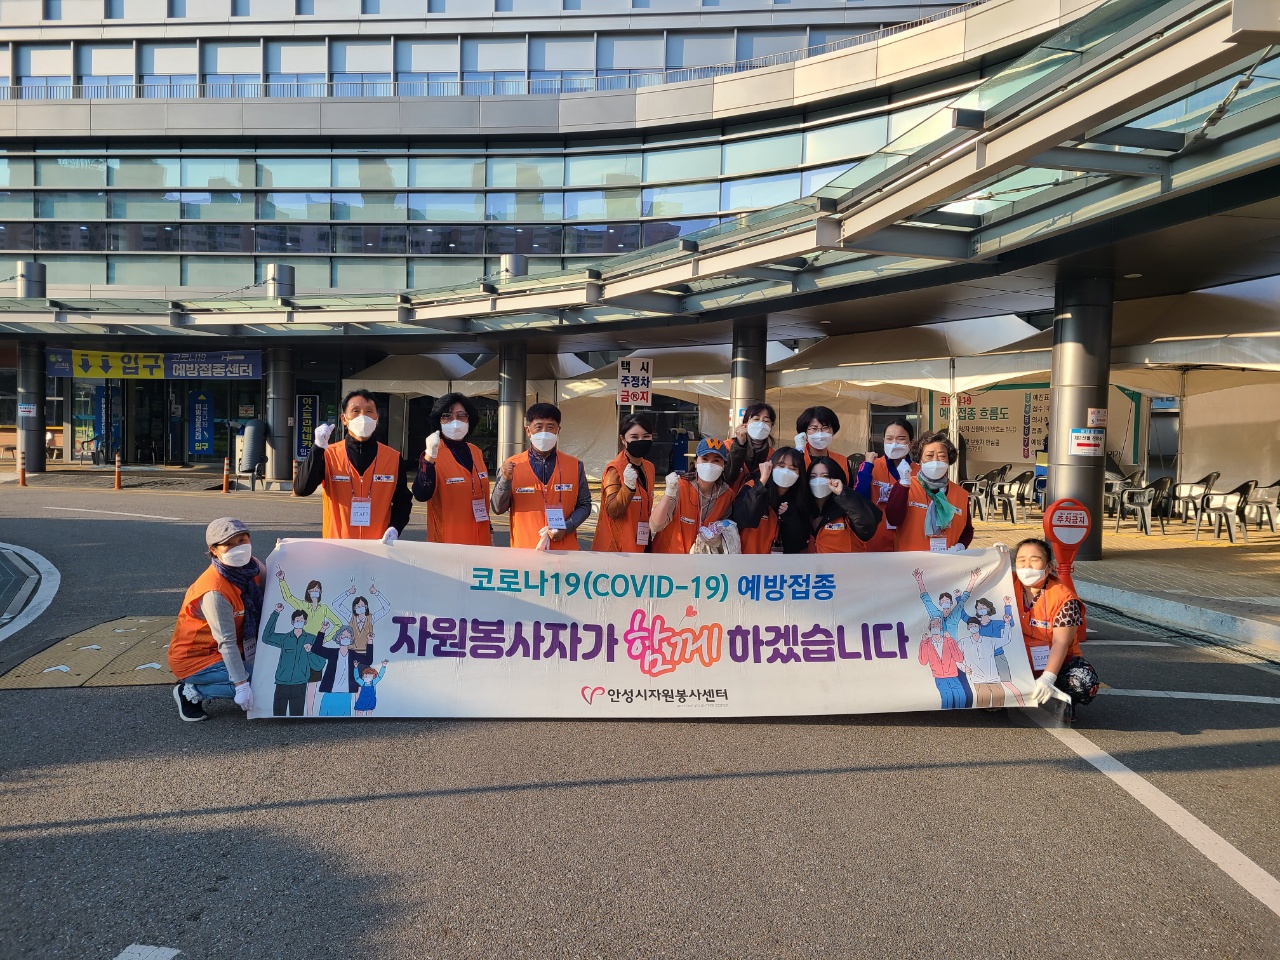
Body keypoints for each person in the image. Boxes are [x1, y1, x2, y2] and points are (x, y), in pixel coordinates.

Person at [169, 517, 265, 723]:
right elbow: (226, 641)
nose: (238, 548)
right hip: (196, 657)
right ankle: (191, 691)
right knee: (260, 684)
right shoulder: (215, 591)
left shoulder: (253, 568)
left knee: (275, 675)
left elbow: (276, 586)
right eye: (228, 544)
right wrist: (241, 685)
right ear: (214, 550)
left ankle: (232, 677)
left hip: (235, 648)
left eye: (242, 540)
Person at [295, 389, 411, 544]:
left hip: (379, 546)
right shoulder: (329, 454)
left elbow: (403, 501)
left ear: (377, 418)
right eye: (355, 411)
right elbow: (302, 489)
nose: (363, 417)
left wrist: (395, 528)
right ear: (344, 419)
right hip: (337, 546)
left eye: (369, 411)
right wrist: (317, 448)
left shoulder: (393, 458)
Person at [490, 402, 591, 550]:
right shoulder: (511, 465)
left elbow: (585, 505)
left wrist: (567, 526)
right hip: (525, 550)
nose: (544, 432)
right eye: (538, 427)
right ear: (528, 430)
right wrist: (505, 481)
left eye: (550, 427)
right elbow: (497, 508)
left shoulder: (575, 465)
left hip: (565, 551)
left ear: (558, 430)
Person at [1013, 538, 1100, 710]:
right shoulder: (1006, 583)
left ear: (1049, 567)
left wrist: (1048, 678)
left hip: (1056, 662)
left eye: (1035, 560)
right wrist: (994, 557)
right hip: (1016, 659)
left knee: (1084, 682)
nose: (1027, 566)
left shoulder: (1065, 599)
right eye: (1021, 560)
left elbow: (1060, 643)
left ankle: (1062, 701)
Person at [412, 392, 491, 546]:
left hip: (480, 542)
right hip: (448, 544)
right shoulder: (433, 454)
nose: (455, 421)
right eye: (447, 416)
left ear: (469, 419)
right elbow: (421, 494)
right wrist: (429, 457)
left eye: (461, 415)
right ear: (438, 421)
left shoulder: (476, 452)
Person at [884, 429, 973, 552]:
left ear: (949, 460)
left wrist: (962, 544)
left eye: (942, 456)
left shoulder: (960, 494)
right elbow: (893, 520)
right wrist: (903, 485)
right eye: (929, 456)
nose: (935, 461)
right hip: (911, 561)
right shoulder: (905, 487)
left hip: (948, 560)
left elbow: (967, 530)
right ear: (920, 460)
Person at [651, 437, 736, 554]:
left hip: (701, 562)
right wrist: (668, 493)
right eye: (705, 459)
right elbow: (655, 526)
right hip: (668, 558)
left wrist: (719, 540)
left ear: (723, 466)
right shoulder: (680, 487)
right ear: (696, 462)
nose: (709, 465)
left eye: (716, 460)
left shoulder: (727, 496)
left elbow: (727, 532)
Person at [594, 412, 657, 553]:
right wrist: (628, 488)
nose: (641, 441)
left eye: (646, 436)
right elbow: (612, 511)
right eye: (634, 437)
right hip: (619, 548)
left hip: (643, 541)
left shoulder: (649, 467)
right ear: (623, 440)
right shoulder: (615, 469)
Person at [854, 417, 917, 552]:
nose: (894, 443)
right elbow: (859, 501)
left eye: (900, 438)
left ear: (911, 443)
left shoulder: (918, 472)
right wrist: (867, 467)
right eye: (889, 439)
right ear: (883, 441)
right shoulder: (871, 466)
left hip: (909, 543)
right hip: (875, 542)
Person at [732, 447, 810, 554]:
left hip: (779, 563)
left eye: (793, 469)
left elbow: (799, 543)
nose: (786, 472)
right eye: (781, 466)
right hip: (747, 559)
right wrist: (762, 482)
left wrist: (789, 518)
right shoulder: (752, 487)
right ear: (771, 466)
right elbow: (743, 519)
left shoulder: (799, 499)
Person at [260, 603, 327, 718]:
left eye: (302, 620)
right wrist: (276, 613)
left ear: (305, 622)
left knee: (297, 718)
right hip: (282, 682)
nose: (299, 622)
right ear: (292, 622)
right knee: (278, 717)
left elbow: (320, 664)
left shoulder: (312, 639)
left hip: (300, 683)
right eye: (297, 620)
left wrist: (310, 652)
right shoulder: (285, 638)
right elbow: (266, 637)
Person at [804, 457, 880, 553]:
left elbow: (867, 524)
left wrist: (843, 494)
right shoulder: (803, 510)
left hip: (847, 562)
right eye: (813, 476)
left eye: (825, 476)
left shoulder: (847, 508)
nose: (818, 481)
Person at [725, 402, 776, 489]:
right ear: (745, 423)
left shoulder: (773, 455)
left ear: (771, 426)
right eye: (756, 419)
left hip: (755, 497)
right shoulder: (727, 446)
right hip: (729, 496)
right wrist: (739, 445)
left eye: (766, 421)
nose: (761, 424)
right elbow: (728, 477)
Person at [793, 405, 850, 478]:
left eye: (825, 427)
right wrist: (798, 453)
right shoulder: (796, 459)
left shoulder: (841, 460)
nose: (820, 433)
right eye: (814, 428)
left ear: (833, 431)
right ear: (804, 433)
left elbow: (848, 485)